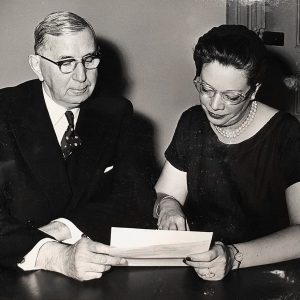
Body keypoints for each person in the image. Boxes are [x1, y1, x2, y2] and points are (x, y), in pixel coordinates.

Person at [0, 11, 153, 281]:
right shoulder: (5, 112)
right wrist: (54, 254)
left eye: (89, 59)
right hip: (14, 272)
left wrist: (63, 229)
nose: (82, 76)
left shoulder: (116, 112)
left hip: (93, 266)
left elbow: (136, 196)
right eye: (66, 63)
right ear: (36, 65)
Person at [153, 25, 300, 281]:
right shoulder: (192, 122)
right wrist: (168, 205)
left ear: (253, 91)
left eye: (232, 96)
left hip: (265, 272)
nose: (214, 105)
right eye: (206, 89)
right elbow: (166, 192)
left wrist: (232, 257)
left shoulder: (287, 134)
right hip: (199, 266)